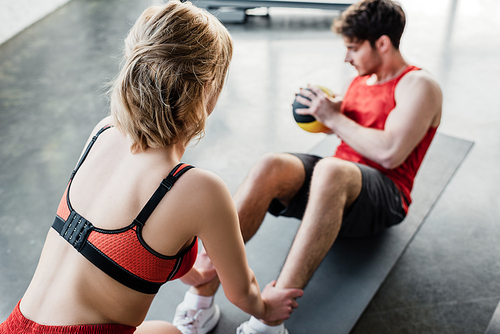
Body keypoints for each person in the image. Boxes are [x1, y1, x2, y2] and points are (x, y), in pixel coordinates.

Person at [0, 1, 303, 334]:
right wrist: (266, 308)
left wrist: (194, 275)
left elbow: (119, 245)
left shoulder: (102, 132)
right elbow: (241, 291)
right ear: (207, 90)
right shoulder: (197, 189)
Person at [172, 0, 443, 333]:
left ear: (383, 43)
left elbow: (389, 153)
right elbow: (352, 123)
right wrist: (322, 111)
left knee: (331, 169)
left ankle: (270, 321)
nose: (347, 58)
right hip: (338, 184)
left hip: (385, 197)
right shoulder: (364, 78)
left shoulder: (418, 86)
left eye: (353, 49)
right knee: (271, 164)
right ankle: (201, 298)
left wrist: (334, 117)